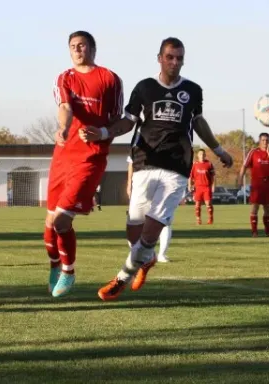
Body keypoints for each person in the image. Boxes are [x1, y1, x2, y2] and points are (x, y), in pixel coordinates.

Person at [79, 37, 233, 301]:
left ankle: (121, 278)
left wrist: (219, 150)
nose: (175, 62)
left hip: (177, 167)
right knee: (134, 226)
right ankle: (145, 260)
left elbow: (198, 122)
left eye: (179, 58)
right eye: (170, 57)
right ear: (160, 58)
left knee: (151, 231)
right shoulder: (145, 88)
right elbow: (127, 122)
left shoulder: (193, 91)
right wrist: (103, 132)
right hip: (144, 162)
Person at [44, 30, 124, 298]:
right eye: (73, 46)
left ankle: (68, 271)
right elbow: (65, 106)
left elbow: (117, 122)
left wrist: (101, 133)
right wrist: (63, 129)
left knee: (61, 221)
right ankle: (55, 265)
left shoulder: (109, 79)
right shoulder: (64, 77)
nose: (78, 50)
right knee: (48, 226)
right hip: (63, 156)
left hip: (90, 158)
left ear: (93, 48)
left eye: (83, 45)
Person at [127, 155, 170, 263]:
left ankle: (161, 254)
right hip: (142, 184)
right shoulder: (139, 142)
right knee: (136, 220)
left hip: (164, 183)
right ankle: (139, 253)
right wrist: (129, 184)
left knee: (163, 220)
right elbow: (131, 163)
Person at [238, 133, 269, 237]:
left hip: (268, 183)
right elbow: (244, 166)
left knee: (267, 209)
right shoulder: (253, 152)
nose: (265, 142)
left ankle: (268, 232)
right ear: (259, 141)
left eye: (267, 140)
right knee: (254, 208)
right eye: (263, 140)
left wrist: (268, 152)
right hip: (257, 183)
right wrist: (240, 179)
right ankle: (254, 232)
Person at [188, 149, 215, 225]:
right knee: (197, 205)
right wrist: (190, 185)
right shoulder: (195, 165)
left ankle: (210, 217)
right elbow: (190, 176)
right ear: (198, 155)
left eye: (203, 154)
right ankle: (198, 219)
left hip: (207, 187)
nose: (202, 156)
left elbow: (213, 177)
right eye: (200, 154)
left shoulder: (209, 164)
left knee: (208, 204)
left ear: (205, 155)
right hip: (198, 187)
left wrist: (213, 186)